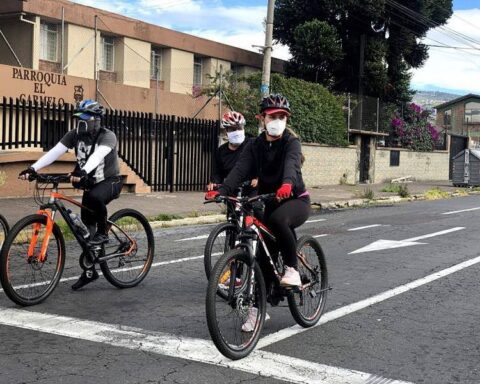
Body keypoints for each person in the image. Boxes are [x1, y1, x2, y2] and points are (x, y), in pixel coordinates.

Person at [205, 93, 310, 331]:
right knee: (261, 256)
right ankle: (257, 310)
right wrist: (221, 190)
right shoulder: (254, 145)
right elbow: (239, 170)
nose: (278, 120)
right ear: (261, 118)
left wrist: (286, 184)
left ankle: (292, 269)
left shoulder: (290, 142)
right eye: (273, 116)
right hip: (268, 199)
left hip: (295, 199)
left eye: (282, 116)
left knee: (278, 219)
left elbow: (292, 165)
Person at [18, 99, 123, 291]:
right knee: (84, 228)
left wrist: (82, 172)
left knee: (94, 199)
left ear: (96, 119)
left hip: (110, 181)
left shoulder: (108, 136)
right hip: (89, 182)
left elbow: (97, 156)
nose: (80, 121)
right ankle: (90, 271)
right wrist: (33, 168)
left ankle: (103, 233)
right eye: (78, 118)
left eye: (85, 117)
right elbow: (54, 152)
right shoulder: (73, 135)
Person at [208, 111, 257, 193]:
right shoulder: (221, 151)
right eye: (233, 129)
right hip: (231, 190)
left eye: (239, 128)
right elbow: (217, 172)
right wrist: (214, 183)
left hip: (251, 190)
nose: (237, 132)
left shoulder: (252, 144)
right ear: (226, 132)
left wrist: (257, 177)